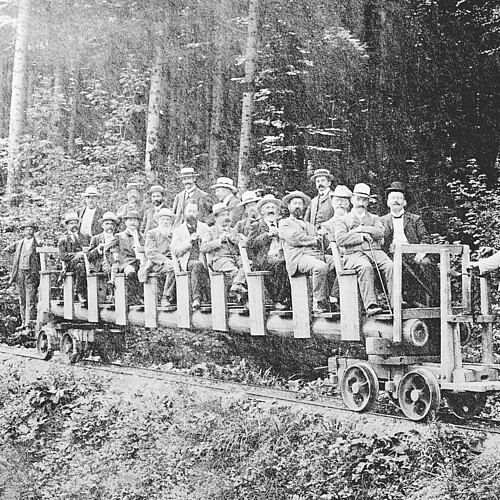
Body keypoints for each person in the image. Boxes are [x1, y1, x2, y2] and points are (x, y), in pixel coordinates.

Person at [334, 183, 394, 316]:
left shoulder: (374, 218)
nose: (361, 202)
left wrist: (361, 229)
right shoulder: (343, 220)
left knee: (391, 266)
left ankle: (395, 302)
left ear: (368, 202)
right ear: (352, 200)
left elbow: (380, 233)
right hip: (353, 254)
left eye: (364, 200)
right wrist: (361, 237)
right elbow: (341, 239)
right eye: (358, 199)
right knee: (365, 267)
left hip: (375, 252)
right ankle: (371, 305)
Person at [379, 181, 436, 305]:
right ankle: (398, 300)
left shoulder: (415, 219)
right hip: (391, 256)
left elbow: (425, 239)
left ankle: (428, 301)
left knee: (426, 264)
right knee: (392, 266)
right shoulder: (381, 221)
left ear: (404, 202)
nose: (396, 201)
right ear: (388, 202)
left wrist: (420, 253)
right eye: (392, 198)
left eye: (399, 198)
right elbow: (379, 243)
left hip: (413, 255)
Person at [279, 191, 335, 314]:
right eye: (295, 203)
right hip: (298, 257)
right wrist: (314, 240)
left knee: (338, 262)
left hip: (315, 255)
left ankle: (334, 298)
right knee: (320, 267)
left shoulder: (310, 225)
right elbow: (294, 238)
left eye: (300, 203)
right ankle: (318, 301)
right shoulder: (284, 223)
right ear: (289, 207)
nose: (298, 206)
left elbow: (322, 244)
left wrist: (323, 237)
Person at [247, 194, 291, 310]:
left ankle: (293, 299)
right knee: (282, 264)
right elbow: (249, 244)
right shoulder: (256, 226)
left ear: (277, 211)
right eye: (267, 208)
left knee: (291, 263)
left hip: (283, 255)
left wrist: (281, 233)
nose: (270, 211)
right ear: (262, 211)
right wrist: (268, 235)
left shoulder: (283, 224)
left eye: (273, 208)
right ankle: (279, 300)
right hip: (264, 259)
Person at [201, 203, 247, 299]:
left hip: (235, 259)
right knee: (234, 271)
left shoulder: (233, 231)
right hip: (219, 259)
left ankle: (237, 287)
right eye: (223, 215)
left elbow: (243, 245)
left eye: (227, 214)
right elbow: (203, 247)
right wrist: (219, 240)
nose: (226, 217)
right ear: (215, 218)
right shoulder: (210, 231)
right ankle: (242, 297)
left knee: (248, 265)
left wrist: (235, 239)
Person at [2, 221, 41, 330]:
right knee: (22, 299)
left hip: (31, 275)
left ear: (34, 231)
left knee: (31, 300)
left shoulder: (38, 244)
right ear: (23, 231)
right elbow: (5, 251)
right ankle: (24, 322)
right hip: (19, 274)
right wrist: (13, 263)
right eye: (26, 229)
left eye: (31, 229)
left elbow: (43, 259)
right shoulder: (19, 243)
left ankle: (30, 324)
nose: (28, 232)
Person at [171, 201, 211, 310]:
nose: (191, 214)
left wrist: (201, 240)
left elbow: (208, 243)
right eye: (189, 211)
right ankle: (196, 298)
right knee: (197, 265)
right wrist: (189, 241)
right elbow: (175, 250)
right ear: (184, 212)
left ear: (198, 213)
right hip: (187, 261)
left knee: (201, 265)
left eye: (194, 211)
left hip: (204, 260)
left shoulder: (204, 227)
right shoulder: (178, 230)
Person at [142, 208, 176, 307]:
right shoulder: (152, 233)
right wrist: (165, 260)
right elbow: (150, 252)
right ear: (158, 221)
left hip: (172, 261)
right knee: (173, 268)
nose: (165, 222)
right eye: (163, 219)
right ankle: (165, 297)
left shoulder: (174, 234)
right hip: (156, 263)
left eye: (168, 220)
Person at [109, 210, 144, 304]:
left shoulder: (143, 236)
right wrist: (113, 263)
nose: (133, 223)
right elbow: (108, 250)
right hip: (126, 263)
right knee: (131, 272)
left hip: (142, 262)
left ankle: (149, 298)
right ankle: (133, 298)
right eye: (130, 220)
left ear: (139, 222)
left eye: (135, 220)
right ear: (125, 222)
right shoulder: (120, 236)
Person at [58, 212, 89, 304]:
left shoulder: (84, 237)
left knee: (82, 265)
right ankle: (79, 292)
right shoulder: (63, 239)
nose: (74, 225)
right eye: (71, 223)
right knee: (80, 265)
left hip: (85, 262)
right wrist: (77, 255)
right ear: (66, 226)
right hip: (69, 265)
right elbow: (63, 256)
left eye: (76, 223)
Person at [87, 211, 118, 286]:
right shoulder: (96, 238)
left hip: (117, 262)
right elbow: (89, 256)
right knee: (109, 268)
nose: (109, 226)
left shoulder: (119, 237)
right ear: (102, 225)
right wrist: (98, 249)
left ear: (114, 226)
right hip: (101, 263)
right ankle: (110, 290)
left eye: (111, 224)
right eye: (107, 224)